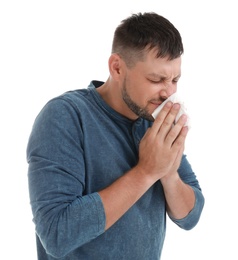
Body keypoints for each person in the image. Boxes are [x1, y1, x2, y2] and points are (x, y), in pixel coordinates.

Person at [26, 12, 205, 260]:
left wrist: (169, 174)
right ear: (117, 67)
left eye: (175, 79)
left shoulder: (154, 121)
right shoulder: (65, 116)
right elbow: (56, 234)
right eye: (156, 79)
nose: (169, 93)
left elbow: (191, 217)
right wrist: (146, 171)